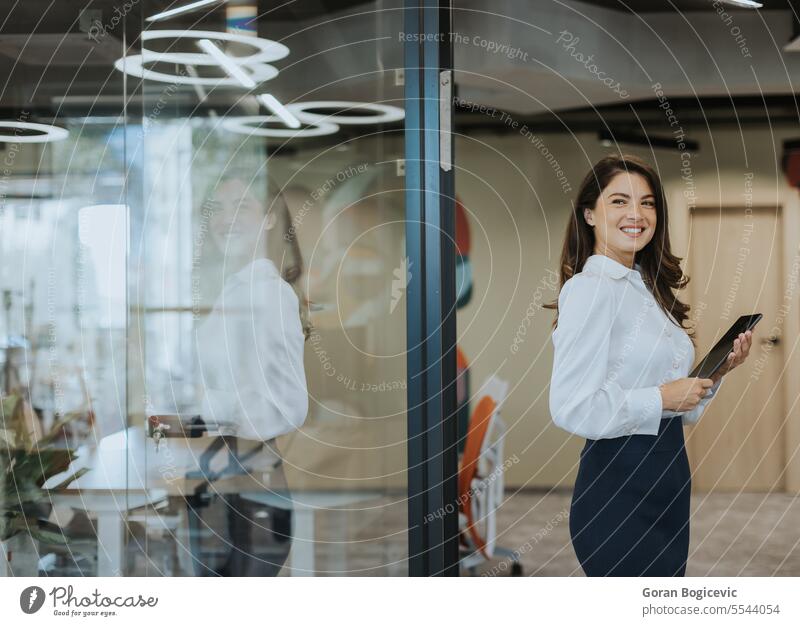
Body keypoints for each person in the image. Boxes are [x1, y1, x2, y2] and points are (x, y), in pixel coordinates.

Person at [546, 154, 752, 576]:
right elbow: (571, 406)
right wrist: (661, 397)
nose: (636, 214)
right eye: (619, 201)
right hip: (618, 483)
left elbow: (679, 407)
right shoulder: (590, 290)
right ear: (589, 213)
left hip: (668, 473)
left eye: (648, 203)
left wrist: (716, 372)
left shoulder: (647, 289)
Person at [183, 174, 310, 576]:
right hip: (229, 477)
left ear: (271, 218)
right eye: (217, 208)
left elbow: (287, 406)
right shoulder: (235, 289)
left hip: (251, 485)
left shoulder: (267, 294)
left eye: (241, 207)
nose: (226, 219)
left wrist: (203, 406)